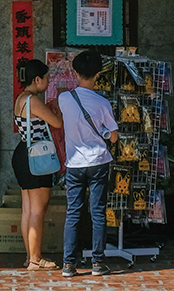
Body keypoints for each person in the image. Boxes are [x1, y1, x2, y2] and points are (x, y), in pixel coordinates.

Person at [58, 50, 119, 278]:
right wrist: (103, 131)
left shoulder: (65, 99)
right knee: (98, 213)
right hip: (98, 162)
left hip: (74, 164)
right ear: (99, 73)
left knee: (73, 212)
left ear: (75, 72)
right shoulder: (102, 102)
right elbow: (113, 137)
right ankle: (97, 262)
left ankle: (68, 265)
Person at [12, 59, 63, 270]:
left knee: (27, 210)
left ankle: (30, 256)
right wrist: (57, 111)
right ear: (37, 79)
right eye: (47, 78)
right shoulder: (33, 100)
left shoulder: (21, 98)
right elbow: (57, 123)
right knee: (38, 211)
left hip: (23, 153)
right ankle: (35, 259)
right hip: (37, 156)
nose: (48, 82)